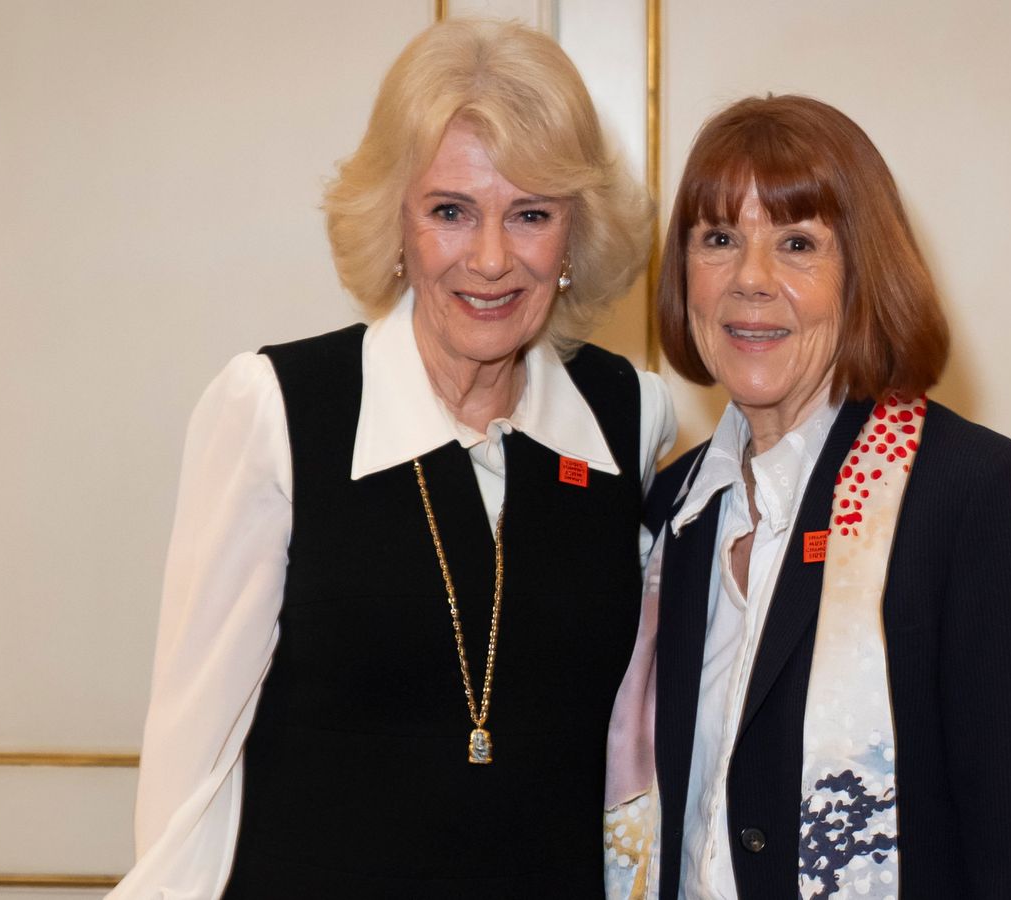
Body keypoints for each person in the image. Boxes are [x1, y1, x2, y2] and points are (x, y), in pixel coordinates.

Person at [112, 19, 674, 899]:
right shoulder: (274, 411)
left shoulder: (629, 417)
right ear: (398, 224)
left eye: (531, 215)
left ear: (574, 237)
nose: (491, 259)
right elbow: (192, 771)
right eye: (451, 211)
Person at [604, 95, 1011, 899]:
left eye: (797, 244)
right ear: (684, 276)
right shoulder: (670, 512)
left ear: (863, 274)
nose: (751, 280)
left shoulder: (977, 498)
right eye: (719, 239)